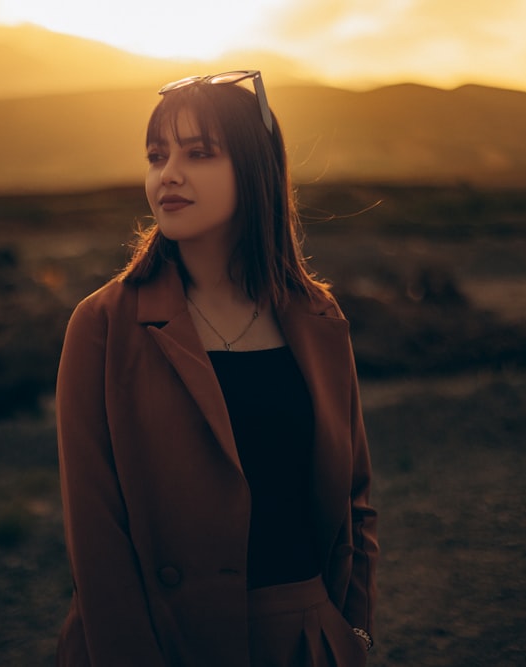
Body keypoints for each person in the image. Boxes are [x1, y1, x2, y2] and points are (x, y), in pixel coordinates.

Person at [55, 70, 378, 666]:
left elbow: (355, 497)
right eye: (157, 155)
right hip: (170, 642)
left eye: (198, 153)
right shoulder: (102, 325)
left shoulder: (316, 317)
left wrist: (352, 632)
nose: (168, 174)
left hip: (304, 641)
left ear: (254, 170)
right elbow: (97, 539)